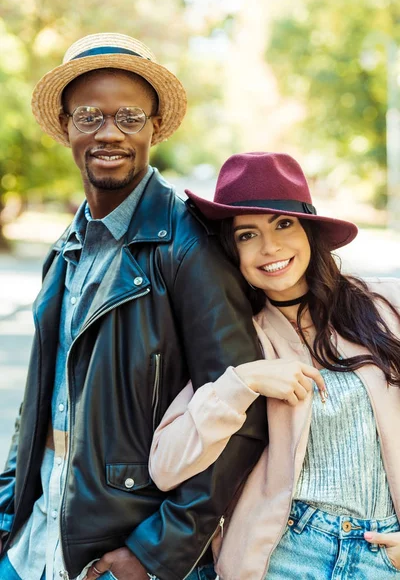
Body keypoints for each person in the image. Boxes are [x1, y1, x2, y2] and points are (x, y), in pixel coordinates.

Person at [0, 34, 268, 580]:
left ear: (152, 127)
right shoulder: (66, 247)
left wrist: (154, 552)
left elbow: (242, 414)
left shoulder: (187, 246)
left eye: (128, 116)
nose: (109, 133)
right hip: (35, 533)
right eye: (89, 116)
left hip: (122, 547)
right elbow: (38, 404)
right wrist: (8, 505)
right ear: (67, 128)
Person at [149, 151, 400, 579]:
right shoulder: (234, 339)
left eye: (283, 224)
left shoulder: (385, 306)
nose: (270, 248)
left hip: (384, 555)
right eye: (247, 234)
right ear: (231, 251)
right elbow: (166, 467)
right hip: (283, 557)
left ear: (309, 231)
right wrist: (241, 382)